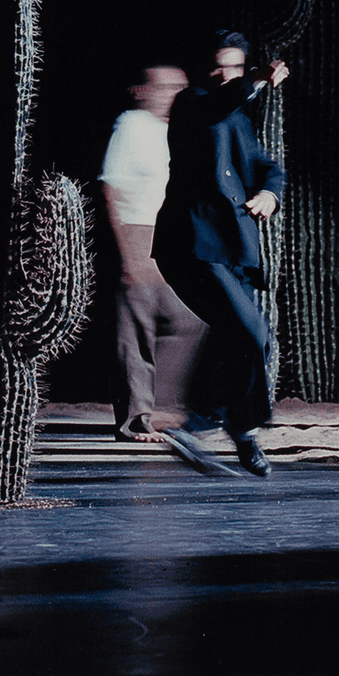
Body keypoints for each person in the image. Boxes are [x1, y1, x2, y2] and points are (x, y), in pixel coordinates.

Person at [153, 30, 289, 477]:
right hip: (193, 246)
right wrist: (256, 78)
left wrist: (269, 192)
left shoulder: (239, 120)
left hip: (231, 250)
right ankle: (203, 422)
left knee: (246, 339)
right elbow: (217, 106)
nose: (222, 73)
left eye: (232, 65)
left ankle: (239, 429)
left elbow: (267, 168)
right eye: (217, 65)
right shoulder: (193, 104)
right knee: (248, 334)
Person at [100, 64, 209, 443]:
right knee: (137, 330)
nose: (173, 95)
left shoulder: (177, 130)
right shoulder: (131, 126)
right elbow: (113, 188)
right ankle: (137, 420)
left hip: (172, 237)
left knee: (191, 319)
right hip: (139, 233)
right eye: (165, 88)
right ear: (143, 92)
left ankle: (161, 406)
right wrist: (131, 255)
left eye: (180, 88)